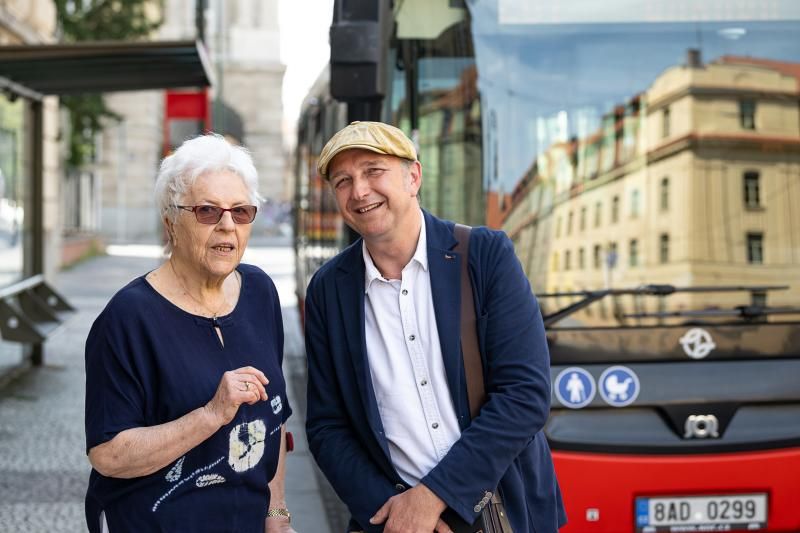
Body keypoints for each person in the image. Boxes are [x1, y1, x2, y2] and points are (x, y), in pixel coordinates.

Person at [304, 121, 567, 533]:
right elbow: (327, 427)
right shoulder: (327, 289)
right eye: (343, 181)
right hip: (396, 520)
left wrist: (433, 497)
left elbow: (525, 394)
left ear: (413, 177)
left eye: (373, 171)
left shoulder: (484, 256)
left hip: (500, 512)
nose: (359, 191)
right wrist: (395, 516)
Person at [84, 134, 294, 533]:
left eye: (241, 211)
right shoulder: (128, 318)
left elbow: (274, 417)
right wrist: (210, 415)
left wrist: (278, 515)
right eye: (207, 211)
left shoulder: (260, 292)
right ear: (170, 222)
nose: (227, 226)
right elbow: (108, 455)